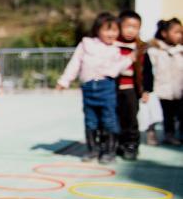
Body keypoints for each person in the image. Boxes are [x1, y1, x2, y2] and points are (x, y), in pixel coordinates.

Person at [56, 13, 132, 163]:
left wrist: (129, 59)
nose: (111, 34)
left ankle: (109, 151)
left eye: (114, 30)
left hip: (106, 86)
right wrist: (64, 80)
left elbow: (118, 68)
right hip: (88, 87)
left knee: (109, 119)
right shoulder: (86, 44)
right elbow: (75, 63)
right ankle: (92, 149)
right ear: (97, 30)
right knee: (90, 120)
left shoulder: (116, 49)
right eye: (107, 30)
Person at [114, 9, 153, 160]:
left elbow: (147, 71)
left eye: (135, 27)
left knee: (130, 118)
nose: (131, 30)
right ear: (119, 26)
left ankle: (131, 144)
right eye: (127, 26)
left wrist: (146, 90)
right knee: (113, 117)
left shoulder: (140, 48)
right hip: (113, 88)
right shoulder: (112, 45)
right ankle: (115, 143)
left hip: (131, 89)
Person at [147, 18, 183, 145]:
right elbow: (149, 70)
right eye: (176, 32)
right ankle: (155, 134)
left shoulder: (180, 51)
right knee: (159, 115)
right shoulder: (155, 51)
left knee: (176, 115)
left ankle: (173, 135)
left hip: (178, 90)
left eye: (181, 32)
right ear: (164, 33)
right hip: (160, 90)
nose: (179, 35)